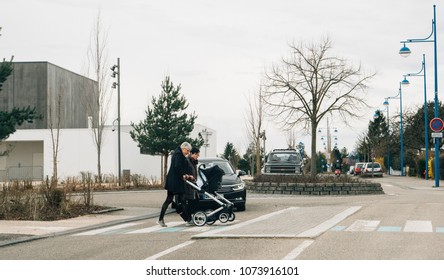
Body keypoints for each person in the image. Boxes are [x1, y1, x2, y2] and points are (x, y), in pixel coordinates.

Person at [157, 142, 194, 227]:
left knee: (173, 200)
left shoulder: (178, 153)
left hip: (174, 181)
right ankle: (188, 219)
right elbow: (177, 167)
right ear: (183, 148)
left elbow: (180, 167)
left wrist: (186, 175)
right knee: (179, 199)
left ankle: (188, 219)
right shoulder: (178, 154)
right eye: (187, 151)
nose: (188, 153)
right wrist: (183, 175)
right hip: (175, 182)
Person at [184, 147, 200, 223]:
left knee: (195, 201)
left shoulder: (194, 162)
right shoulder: (187, 161)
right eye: (196, 154)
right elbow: (184, 172)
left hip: (193, 184)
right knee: (190, 202)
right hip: (188, 185)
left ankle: (192, 217)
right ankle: (188, 218)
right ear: (191, 153)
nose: (198, 156)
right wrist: (189, 177)